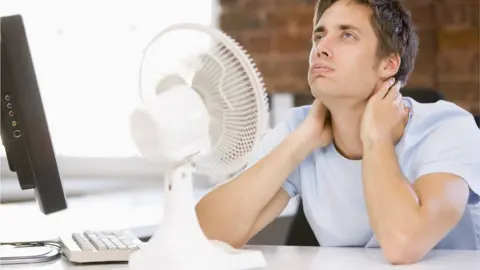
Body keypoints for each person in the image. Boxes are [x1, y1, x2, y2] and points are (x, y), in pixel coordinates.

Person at [195, 0, 480, 265]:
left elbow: (403, 245)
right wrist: (302, 141)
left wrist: (376, 138)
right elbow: (205, 236)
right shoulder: (300, 128)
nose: (321, 48)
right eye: (319, 36)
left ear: (388, 64)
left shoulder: (445, 126)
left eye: (347, 36)